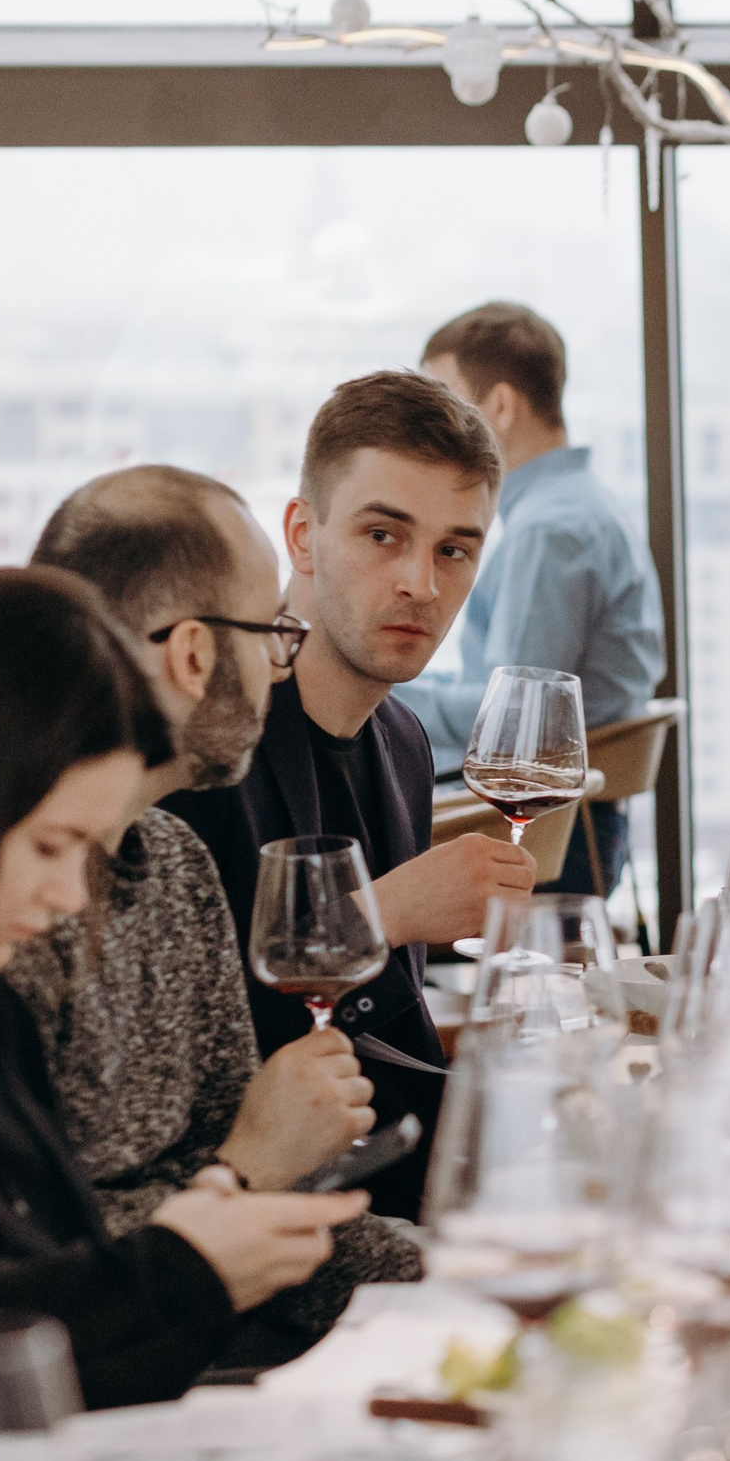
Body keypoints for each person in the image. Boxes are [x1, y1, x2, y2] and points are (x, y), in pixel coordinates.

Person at [0, 568, 365, 1427]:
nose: (70, 898)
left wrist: (202, 1227)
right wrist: (185, 1270)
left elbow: (58, 1279)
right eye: (51, 846)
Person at [22, 465, 422, 1357]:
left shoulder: (174, 865)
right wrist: (250, 1165)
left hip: (234, 1324)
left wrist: (441, 1294)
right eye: (275, 632)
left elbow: (271, 1201)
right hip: (128, 1371)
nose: (284, 661)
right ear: (196, 654)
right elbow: (38, 1278)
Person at [166, 373, 534, 1218]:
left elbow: (377, 1039)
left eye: (455, 549)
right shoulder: (208, 742)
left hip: (381, 1182)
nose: (421, 583)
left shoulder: (403, 742)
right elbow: (201, 1055)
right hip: (237, 1212)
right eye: (382, 534)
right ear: (302, 534)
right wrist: (380, 914)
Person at [402, 304, 666, 894]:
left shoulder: (549, 531)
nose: (428, 429)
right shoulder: (581, 505)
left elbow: (512, 724)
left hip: (549, 837)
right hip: (582, 826)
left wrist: (383, 695)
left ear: (499, 406)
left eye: (443, 402)